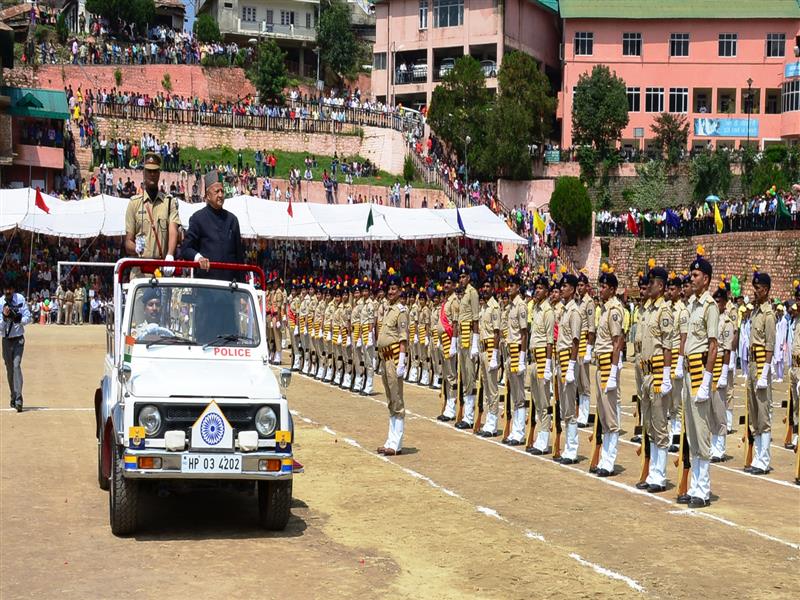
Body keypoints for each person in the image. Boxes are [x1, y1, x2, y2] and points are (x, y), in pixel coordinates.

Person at [680, 245, 719, 508]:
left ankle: (703, 489)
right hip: (687, 371)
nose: (691, 279)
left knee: (702, 430)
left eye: (695, 275)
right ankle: (694, 484)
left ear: (706, 279)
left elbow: (713, 345)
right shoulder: (692, 304)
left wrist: (706, 380)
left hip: (699, 373)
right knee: (691, 431)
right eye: (691, 275)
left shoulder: (710, 306)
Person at [636, 265, 673, 490]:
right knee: (649, 423)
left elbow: (668, 346)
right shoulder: (647, 310)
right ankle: (652, 473)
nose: (646, 287)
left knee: (659, 425)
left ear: (660, 285)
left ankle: (660, 474)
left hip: (659, 373)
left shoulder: (663, 311)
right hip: (646, 373)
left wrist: (667, 375)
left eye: (650, 283)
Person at [180, 170, 244, 280]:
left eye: (222, 191)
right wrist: (198, 258)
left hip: (229, 288)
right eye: (217, 191)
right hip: (206, 286)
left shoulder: (232, 220)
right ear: (208, 196)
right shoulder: (197, 218)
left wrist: (242, 286)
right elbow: (186, 248)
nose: (220, 195)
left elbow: (239, 257)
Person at [124, 152, 179, 277]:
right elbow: (128, 242)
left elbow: (173, 229)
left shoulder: (169, 202)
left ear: (159, 173)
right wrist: (135, 247)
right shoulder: (134, 204)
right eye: (149, 171)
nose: (152, 175)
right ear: (143, 173)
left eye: (155, 171)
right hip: (140, 271)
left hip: (162, 269)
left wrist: (170, 255)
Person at [745, 268, 776, 475]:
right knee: (754, 413)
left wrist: (765, 372)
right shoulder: (756, 312)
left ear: (765, 290)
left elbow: (770, 346)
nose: (754, 291)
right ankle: (757, 456)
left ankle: (764, 459)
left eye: (757, 288)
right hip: (752, 365)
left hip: (761, 367)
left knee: (763, 414)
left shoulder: (768, 314)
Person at [376, 269, 408, 456]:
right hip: (385, 358)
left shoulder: (401, 311)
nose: (390, 292)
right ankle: (390, 439)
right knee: (390, 400)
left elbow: (403, 338)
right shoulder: (388, 309)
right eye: (389, 289)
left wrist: (402, 361)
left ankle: (397, 442)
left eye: (394, 289)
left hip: (395, 358)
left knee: (397, 400)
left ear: (400, 290)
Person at [526, 269, 555, 454]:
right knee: (536, 400)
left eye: (540, 288)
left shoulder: (548, 311)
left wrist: (548, 366)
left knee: (544, 402)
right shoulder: (535, 309)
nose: (536, 291)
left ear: (547, 291)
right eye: (535, 288)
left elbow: (550, 341)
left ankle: (544, 439)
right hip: (534, 360)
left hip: (543, 360)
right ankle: (540, 436)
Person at [502, 268, 528, 445]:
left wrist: (521, 358)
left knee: (519, 395)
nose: (508, 288)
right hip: (510, 352)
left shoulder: (521, 306)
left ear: (518, 287)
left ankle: (519, 432)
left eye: (511, 285)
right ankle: (514, 430)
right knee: (513, 394)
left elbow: (524, 333)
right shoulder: (510, 306)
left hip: (518, 351)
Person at [455, 262, 480, 430]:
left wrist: (476, 344)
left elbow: (475, 319)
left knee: (470, 376)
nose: (461, 280)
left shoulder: (472, 293)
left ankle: (470, 416)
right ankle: (466, 414)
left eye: (464, 277)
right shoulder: (462, 294)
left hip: (470, 336)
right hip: (462, 337)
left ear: (469, 278)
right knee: (464, 373)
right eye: (460, 277)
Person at [477, 270, 501, 437]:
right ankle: (489, 418)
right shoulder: (484, 306)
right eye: (483, 286)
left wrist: (494, 354)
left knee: (492, 388)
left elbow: (497, 333)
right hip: (482, 350)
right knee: (486, 386)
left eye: (488, 286)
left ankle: (492, 422)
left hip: (490, 350)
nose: (485, 289)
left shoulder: (494, 307)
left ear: (493, 288)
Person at [1, 278, 31, 412]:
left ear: (13, 290)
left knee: (16, 366)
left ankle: (19, 399)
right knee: (9, 370)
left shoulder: (20, 299)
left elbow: (28, 317)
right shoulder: (0, 302)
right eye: (5, 290)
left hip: (18, 339)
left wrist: (19, 320)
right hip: (6, 341)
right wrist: (4, 316)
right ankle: (13, 395)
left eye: (10, 289)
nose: (8, 292)